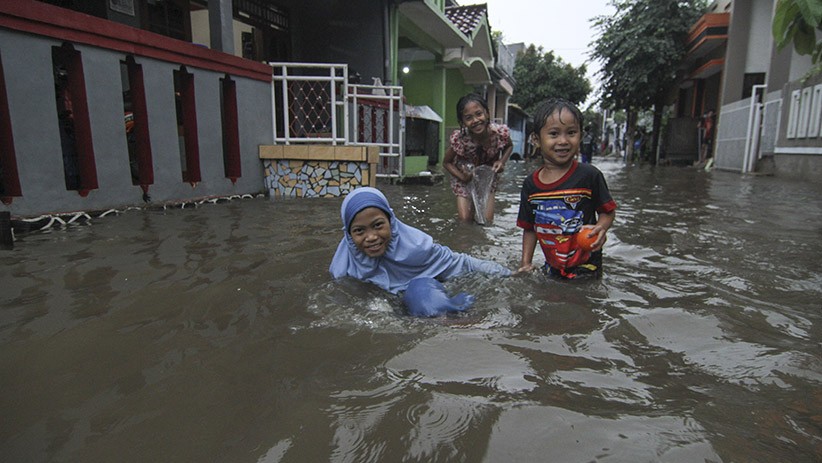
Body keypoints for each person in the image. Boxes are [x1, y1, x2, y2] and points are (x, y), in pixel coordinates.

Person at [329, 187, 512, 295]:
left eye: (378, 225)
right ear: (349, 235)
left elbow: (462, 262)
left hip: (422, 297)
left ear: (391, 223)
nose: (371, 237)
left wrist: (506, 274)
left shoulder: (416, 249)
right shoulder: (343, 268)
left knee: (423, 296)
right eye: (359, 231)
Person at [517, 98, 617, 279]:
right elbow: (529, 228)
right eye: (554, 134)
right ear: (536, 139)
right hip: (553, 265)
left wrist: (601, 228)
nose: (563, 141)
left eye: (571, 133)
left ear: (580, 135)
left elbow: (607, 211)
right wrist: (525, 263)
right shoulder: (531, 185)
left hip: (587, 265)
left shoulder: (589, 175)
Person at [442, 93, 514, 224]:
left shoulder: (498, 133)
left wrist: (501, 162)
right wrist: (463, 177)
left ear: (487, 113)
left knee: (486, 220)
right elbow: (446, 162)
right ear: (462, 122)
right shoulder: (461, 139)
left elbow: (509, 146)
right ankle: (467, 242)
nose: (475, 120)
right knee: (465, 220)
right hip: (464, 177)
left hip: (488, 176)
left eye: (479, 114)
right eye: (469, 118)